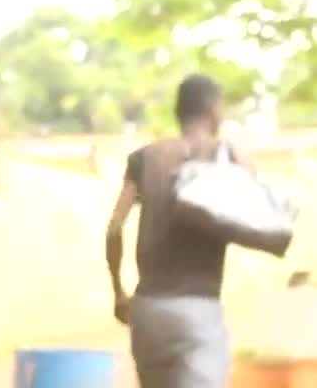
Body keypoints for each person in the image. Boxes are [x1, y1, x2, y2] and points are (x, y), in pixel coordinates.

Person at [105, 74, 246, 388]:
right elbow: (261, 214)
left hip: (148, 311)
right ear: (213, 109)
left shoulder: (144, 158)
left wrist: (118, 291)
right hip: (197, 310)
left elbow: (115, 227)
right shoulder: (224, 155)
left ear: (178, 111)